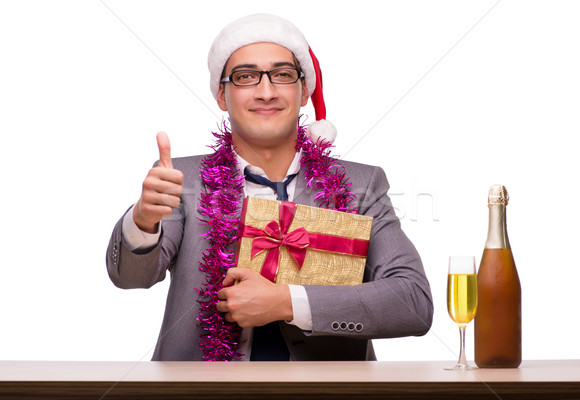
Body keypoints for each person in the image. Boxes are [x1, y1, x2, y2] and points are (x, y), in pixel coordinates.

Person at [106, 13, 433, 361]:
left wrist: (287, 302)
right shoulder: (179, 178)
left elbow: (412, 302)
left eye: (282, 75)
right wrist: (143, 221)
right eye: (246, 77)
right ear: (221, 94)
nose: (266, 92)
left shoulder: (360, 186)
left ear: (304, 91)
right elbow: (130, 277)